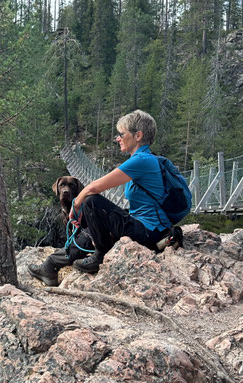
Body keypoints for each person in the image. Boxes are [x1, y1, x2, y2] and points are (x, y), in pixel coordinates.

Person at [29, 109, 173, 286]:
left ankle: (100, 255)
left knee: (91, 202)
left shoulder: (141, 160)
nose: (117, 138)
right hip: (148, 226)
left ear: (138, 135)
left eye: (121, 134)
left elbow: (93, 188)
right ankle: (51, 266)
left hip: (148, 232)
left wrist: (75, 205)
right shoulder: (148, 159)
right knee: (92, 229)